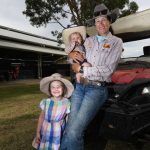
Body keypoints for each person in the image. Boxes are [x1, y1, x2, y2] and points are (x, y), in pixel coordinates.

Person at [60, 3, 123, 150]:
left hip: (96, 90)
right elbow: (76, 57)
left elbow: (108, 70)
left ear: (110, 21)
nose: (100, 23)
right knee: (70, 127)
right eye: (97, 21)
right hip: (79, 87)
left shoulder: (116, 42)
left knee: (75, 130)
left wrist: (81, 68)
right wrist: (71, 56)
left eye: (104, 20)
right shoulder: (88, 41)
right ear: (94, 24)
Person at [33, 73, 74, 150]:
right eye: (53, 87)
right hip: (45, 129)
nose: (56, 89)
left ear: (64, 88)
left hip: (58, 131)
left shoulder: (67, 102)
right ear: (50, 89)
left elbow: (68, 118)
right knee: (45, 146)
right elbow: (41, 117)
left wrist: (66, 131)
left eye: (58, 87)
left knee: (56, 147)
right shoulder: (46, 102)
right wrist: (38, 132)